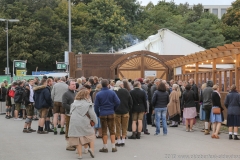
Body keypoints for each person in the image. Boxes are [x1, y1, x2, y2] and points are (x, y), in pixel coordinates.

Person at [68, 89, 97, 159]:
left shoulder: (73, 104)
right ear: (86, 96)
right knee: (91, 135)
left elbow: (71, 112)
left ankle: (80, 155)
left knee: (77, 138)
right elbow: (92, 114)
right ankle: (91, 150)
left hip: (74, 121)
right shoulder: (88, 104)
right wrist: (95, 121)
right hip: (84, 121)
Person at [94, 79, 120, 153]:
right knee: (112, 130)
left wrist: (98, 114)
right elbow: (118, 102)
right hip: (111, 112)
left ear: (101, 85)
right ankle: (113, 147)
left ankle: (105, 147)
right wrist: (114, 109)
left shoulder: (98, 94)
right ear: (108, 84)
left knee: (104, 131)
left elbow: (96, 106)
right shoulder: (112, 92)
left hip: (102, 113)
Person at [113, 81, 133, 146]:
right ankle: (123, 140)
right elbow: (130, 101)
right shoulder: (126, 91)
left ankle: (118, 140)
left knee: (117, 126)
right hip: (125, 111)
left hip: (117, 111)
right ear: (121, 85)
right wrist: (128, 109)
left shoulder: (114, 92)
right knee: (125, 126)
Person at [62, 80, 77, 151]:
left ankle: (73, 143)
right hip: (69, 114)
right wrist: (72, 108)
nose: (74, 85)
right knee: (68, 128)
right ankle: (68, 144)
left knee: (74, 129)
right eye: (72, 84)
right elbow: (64, 104)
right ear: (69, 86)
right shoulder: (66, 94)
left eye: (74, 84)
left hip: (76, 114)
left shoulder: (75, 93)